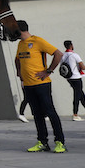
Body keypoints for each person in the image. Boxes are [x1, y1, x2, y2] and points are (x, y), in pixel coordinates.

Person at [14, 20, 66, 153]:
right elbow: (17, 59)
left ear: (19, 29)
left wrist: (48, 71)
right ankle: (42, 142)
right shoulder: (20, 44)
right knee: (37, 114)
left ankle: (60, 142)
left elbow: (58, 54)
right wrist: (19, 73)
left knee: (50, 112)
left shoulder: (37, 41)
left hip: (42, 84)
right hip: (28, 85)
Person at [61, 40, 85, 121]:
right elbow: (83, 67)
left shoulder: (63, 55)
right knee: (77, 95)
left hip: (69, 78)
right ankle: (75, 114)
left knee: (81, 94)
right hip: (76, 77)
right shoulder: (75, 55)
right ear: (71, 45)